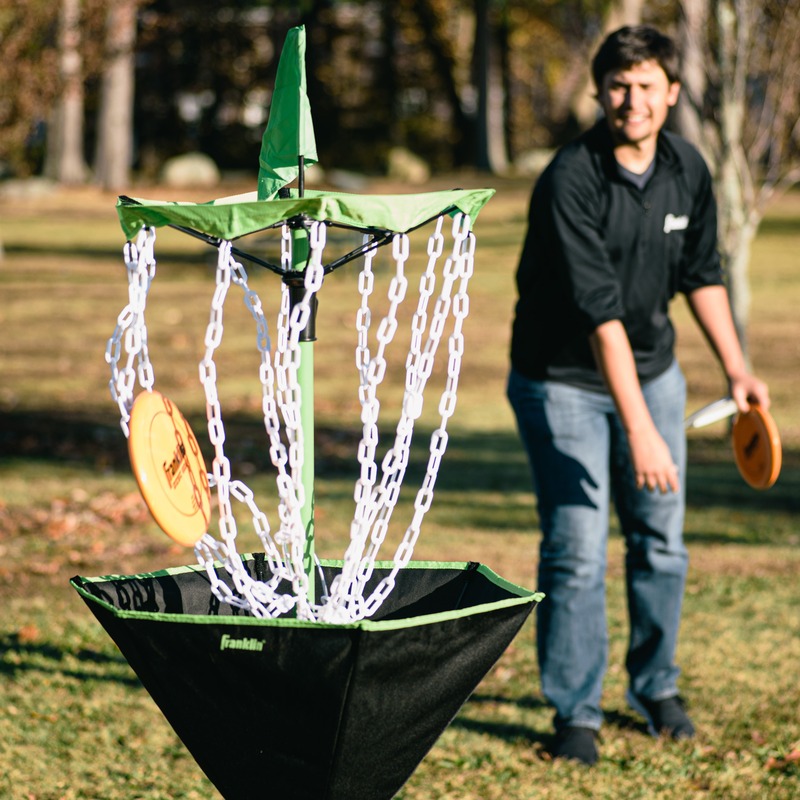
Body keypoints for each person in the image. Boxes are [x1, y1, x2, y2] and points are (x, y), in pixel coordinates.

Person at [506, 25, 770, 766]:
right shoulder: (571, 179)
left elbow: (702, 273)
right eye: (620, 85)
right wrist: (644, 432)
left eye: (648, 84)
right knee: (579, 548)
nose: (634, 100)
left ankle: (656, 687)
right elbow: (601, 317)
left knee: (661, 539)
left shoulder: (688, 166)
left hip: (653, 372)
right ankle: (576, 713)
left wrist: (737, 367)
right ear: (600, 92)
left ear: (672, 92)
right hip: (560, 383)